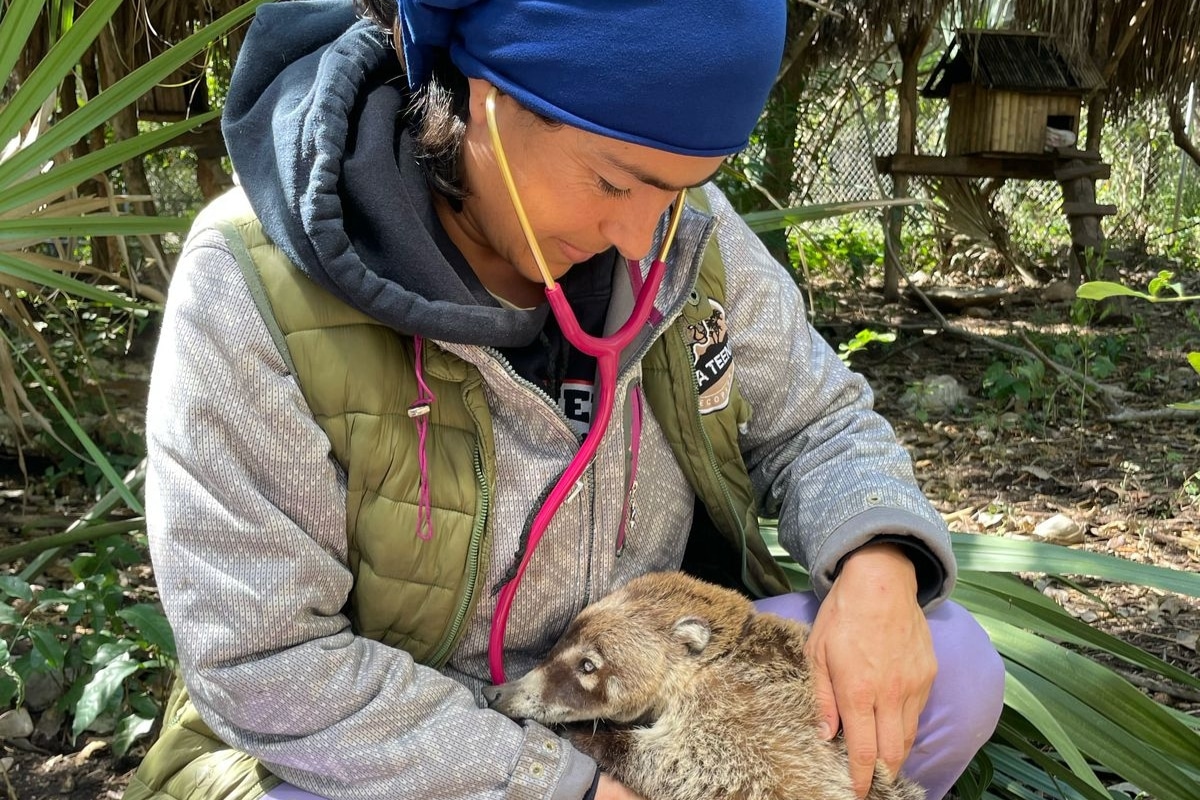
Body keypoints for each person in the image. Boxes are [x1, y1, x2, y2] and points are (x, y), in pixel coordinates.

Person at [124, 1, 1005, 799]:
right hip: (388, 738)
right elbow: (267, 662)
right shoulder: (249, 289)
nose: (639, 235)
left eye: (679, 189)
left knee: (955, 667)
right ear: (487, 96)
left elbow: (820, 424)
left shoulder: (687, 235)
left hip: (629, 687)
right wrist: (554, 785)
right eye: (616, 183)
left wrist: (879, 564)